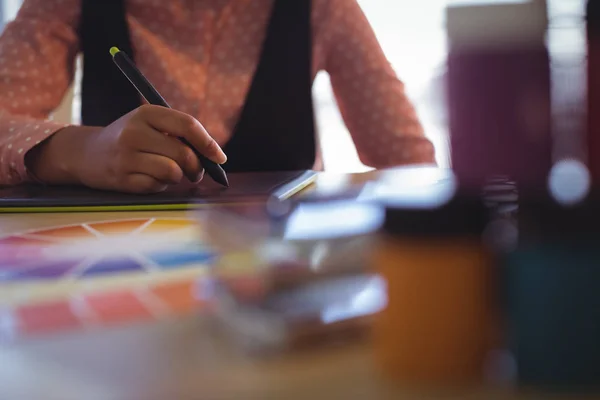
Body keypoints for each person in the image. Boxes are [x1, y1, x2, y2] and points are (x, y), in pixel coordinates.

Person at [0, 0, 435, 193]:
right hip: (117, 260)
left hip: (279, 274)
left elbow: (412, 169)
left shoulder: (324, 6)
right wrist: (81, 149)